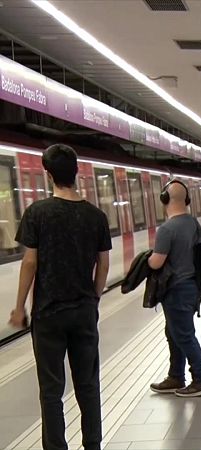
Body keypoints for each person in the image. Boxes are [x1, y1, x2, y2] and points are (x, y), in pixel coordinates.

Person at [9, 144, 111, 450]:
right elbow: (103, 262)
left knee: (51, 390)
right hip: (83, 311)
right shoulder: (96, 216)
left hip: (48, 313)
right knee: (88, 384)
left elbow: (30, 262)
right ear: (77, 172)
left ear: (48, 173)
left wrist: (19, 308)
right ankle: (92, 444)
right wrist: (93, 297)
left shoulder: (37, 213)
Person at [148, 180, 201, 397]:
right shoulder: (193, 223)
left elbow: (156, 262)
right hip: (192, 287)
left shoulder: (166, 229)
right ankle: (176, 376)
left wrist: (145, 261)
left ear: (164, 199)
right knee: (173, 332)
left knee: (183, 334)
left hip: (176, 289)